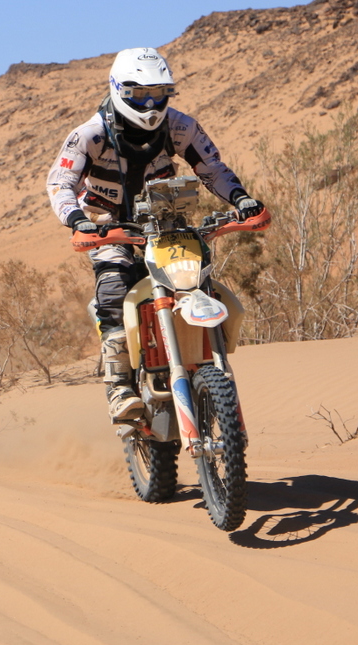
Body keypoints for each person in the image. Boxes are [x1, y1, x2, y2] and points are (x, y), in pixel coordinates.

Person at [46, 47, 264, 422]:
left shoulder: (181, 127)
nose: (149, 104)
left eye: (159, 93)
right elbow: (60, 182)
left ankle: (208, 366)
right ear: (118, 90)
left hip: (165, 224)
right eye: (139, 94)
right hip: (108, 225)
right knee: (113, 288)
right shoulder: (90, 135)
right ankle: (120, 387)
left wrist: (241, 199)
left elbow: (212, 168)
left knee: (198, 281)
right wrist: (78, 220)